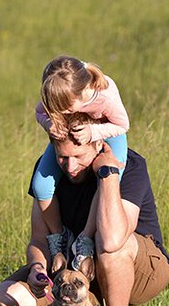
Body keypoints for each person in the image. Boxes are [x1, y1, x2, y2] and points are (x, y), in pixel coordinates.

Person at [0, 131, 169, 306]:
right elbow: (39, 239)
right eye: (63, 157)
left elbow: (114, 239)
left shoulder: (130, 165)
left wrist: (108, 175)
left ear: (98, 146)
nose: (70, 167)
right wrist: (37, 267)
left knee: (110, 246)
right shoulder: (48, 172)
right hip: (74, 277)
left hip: (136, 267)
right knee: (4, 302)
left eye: (79, 157)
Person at [32, 56, 130, 270]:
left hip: (107, 130)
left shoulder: (103, 99)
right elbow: (39, 113)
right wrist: (49, 124)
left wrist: (94, 132)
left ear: (80, 95)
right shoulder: (60, 93)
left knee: (109, 178)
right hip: (71, 138)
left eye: (64, 108)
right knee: (40, 184)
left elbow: (123, 125)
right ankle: (59, 237)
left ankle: (85, 238)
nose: (60, 112)